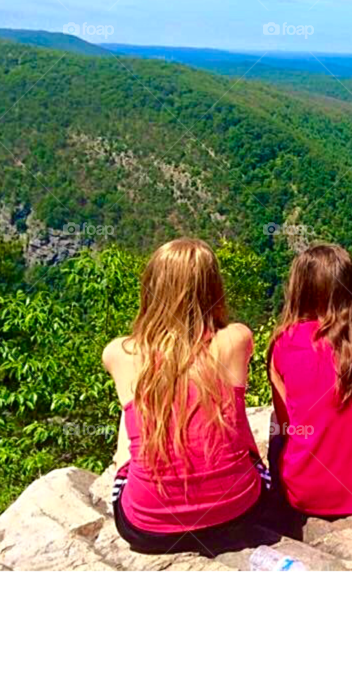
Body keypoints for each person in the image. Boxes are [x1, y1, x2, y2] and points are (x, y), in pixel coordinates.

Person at [102, 238, 271, 555]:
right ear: (213, 288)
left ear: (151, 289)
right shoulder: (236, 339)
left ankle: (127, 467)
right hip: (238, 517)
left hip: (147, 530)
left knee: (133, 411)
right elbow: (238, 422)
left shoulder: (119, 353)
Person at [267, 243, 352, 518]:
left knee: (276, 427)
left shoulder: (284, 343)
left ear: (300, 290)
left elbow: (288, 425)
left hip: (305, 495)